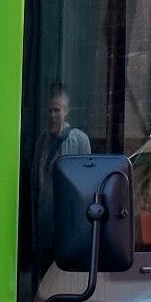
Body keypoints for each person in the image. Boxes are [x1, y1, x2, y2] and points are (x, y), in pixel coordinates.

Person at [38, 83, 91, 255]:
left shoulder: (79, 140)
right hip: (43, 229)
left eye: (57, 110)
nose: (52, 115)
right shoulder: (41, 142)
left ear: (66, 111)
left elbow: (85, 187)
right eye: (49, 111)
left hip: (67, 229)